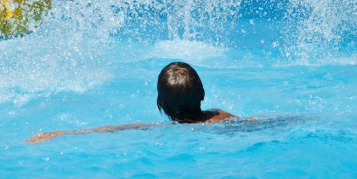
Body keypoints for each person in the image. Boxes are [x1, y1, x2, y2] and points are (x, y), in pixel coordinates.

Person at [27, 62, 235, 143]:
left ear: (160, 103)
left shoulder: (167, 129)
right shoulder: (221, 116)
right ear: (203, 94)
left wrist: (61, 133)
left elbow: (113, 129)